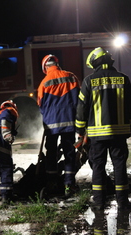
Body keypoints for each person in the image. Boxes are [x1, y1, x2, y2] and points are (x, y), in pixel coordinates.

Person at [75, 47, 131, 210]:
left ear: (95, 62)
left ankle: (99, 203)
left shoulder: (89, 81)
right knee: (120, 167)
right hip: (119, 134)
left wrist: (80, 131)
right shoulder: (124, 79)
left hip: (97, 136)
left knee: (98, 167)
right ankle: (123, 203)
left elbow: (82, 108)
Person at [37, 54, 80, 197]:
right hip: (69, 122)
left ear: (45, 67)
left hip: (51, 125)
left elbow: (40, 105)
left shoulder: (44, 83)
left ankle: (52, 183)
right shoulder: (71, 77)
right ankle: (69, 184)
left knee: (51, 153)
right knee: (69, 152)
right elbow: (79, 99)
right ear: (57, 63)